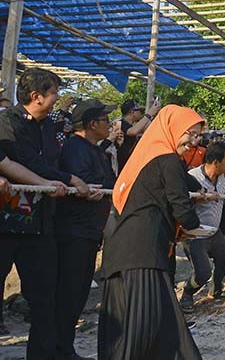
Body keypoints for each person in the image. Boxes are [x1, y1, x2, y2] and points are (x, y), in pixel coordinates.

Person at [98, 105, 204, 360]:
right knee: (139, 331)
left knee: (155, 325)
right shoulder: (168, 159)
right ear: (172, 129)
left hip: (124, 250)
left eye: (197, 136)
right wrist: (195, 226)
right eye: (189, 134)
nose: (193, 142)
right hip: (143, 253)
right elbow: (181, 207)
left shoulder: (146, 156)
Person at [0, 68, 87, 359]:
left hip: (40, 225)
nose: (57, 98)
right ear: (37, 96)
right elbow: (21, 161)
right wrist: (61, 180)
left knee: (44, 297)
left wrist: (73, 182)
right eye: (54, 93)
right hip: (5, 225)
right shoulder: (7, 123)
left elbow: (50, 164)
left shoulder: (50, 127)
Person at [55, 99, 117, 359]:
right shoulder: (75, 148)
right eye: (105, 120)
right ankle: (59, 349)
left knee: (79, 292)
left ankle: (64, 347)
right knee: (69, 293)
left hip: (89, 231)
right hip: (74, 232)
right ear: (92, 124)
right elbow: (87, 184)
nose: (110, 125)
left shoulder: (96, 150)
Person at [179, 142, 225, 311]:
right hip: (194, 234)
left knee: (223, 261)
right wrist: (200, 198)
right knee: (203, 273)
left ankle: (216, 290)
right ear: (215, 162)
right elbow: (180, 202)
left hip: (214, 231)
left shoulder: (223, 176)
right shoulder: (193, 177)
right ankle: (187, 294)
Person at [117, 98, 160, 171]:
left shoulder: (132, 125)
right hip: (121, 167)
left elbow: (148, 129)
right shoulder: (120, 124)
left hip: (130, 165)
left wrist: (153, 113)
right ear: (132, 112)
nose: (141, 113)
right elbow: (133, 131)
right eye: (140, 111)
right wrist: (149, 114)